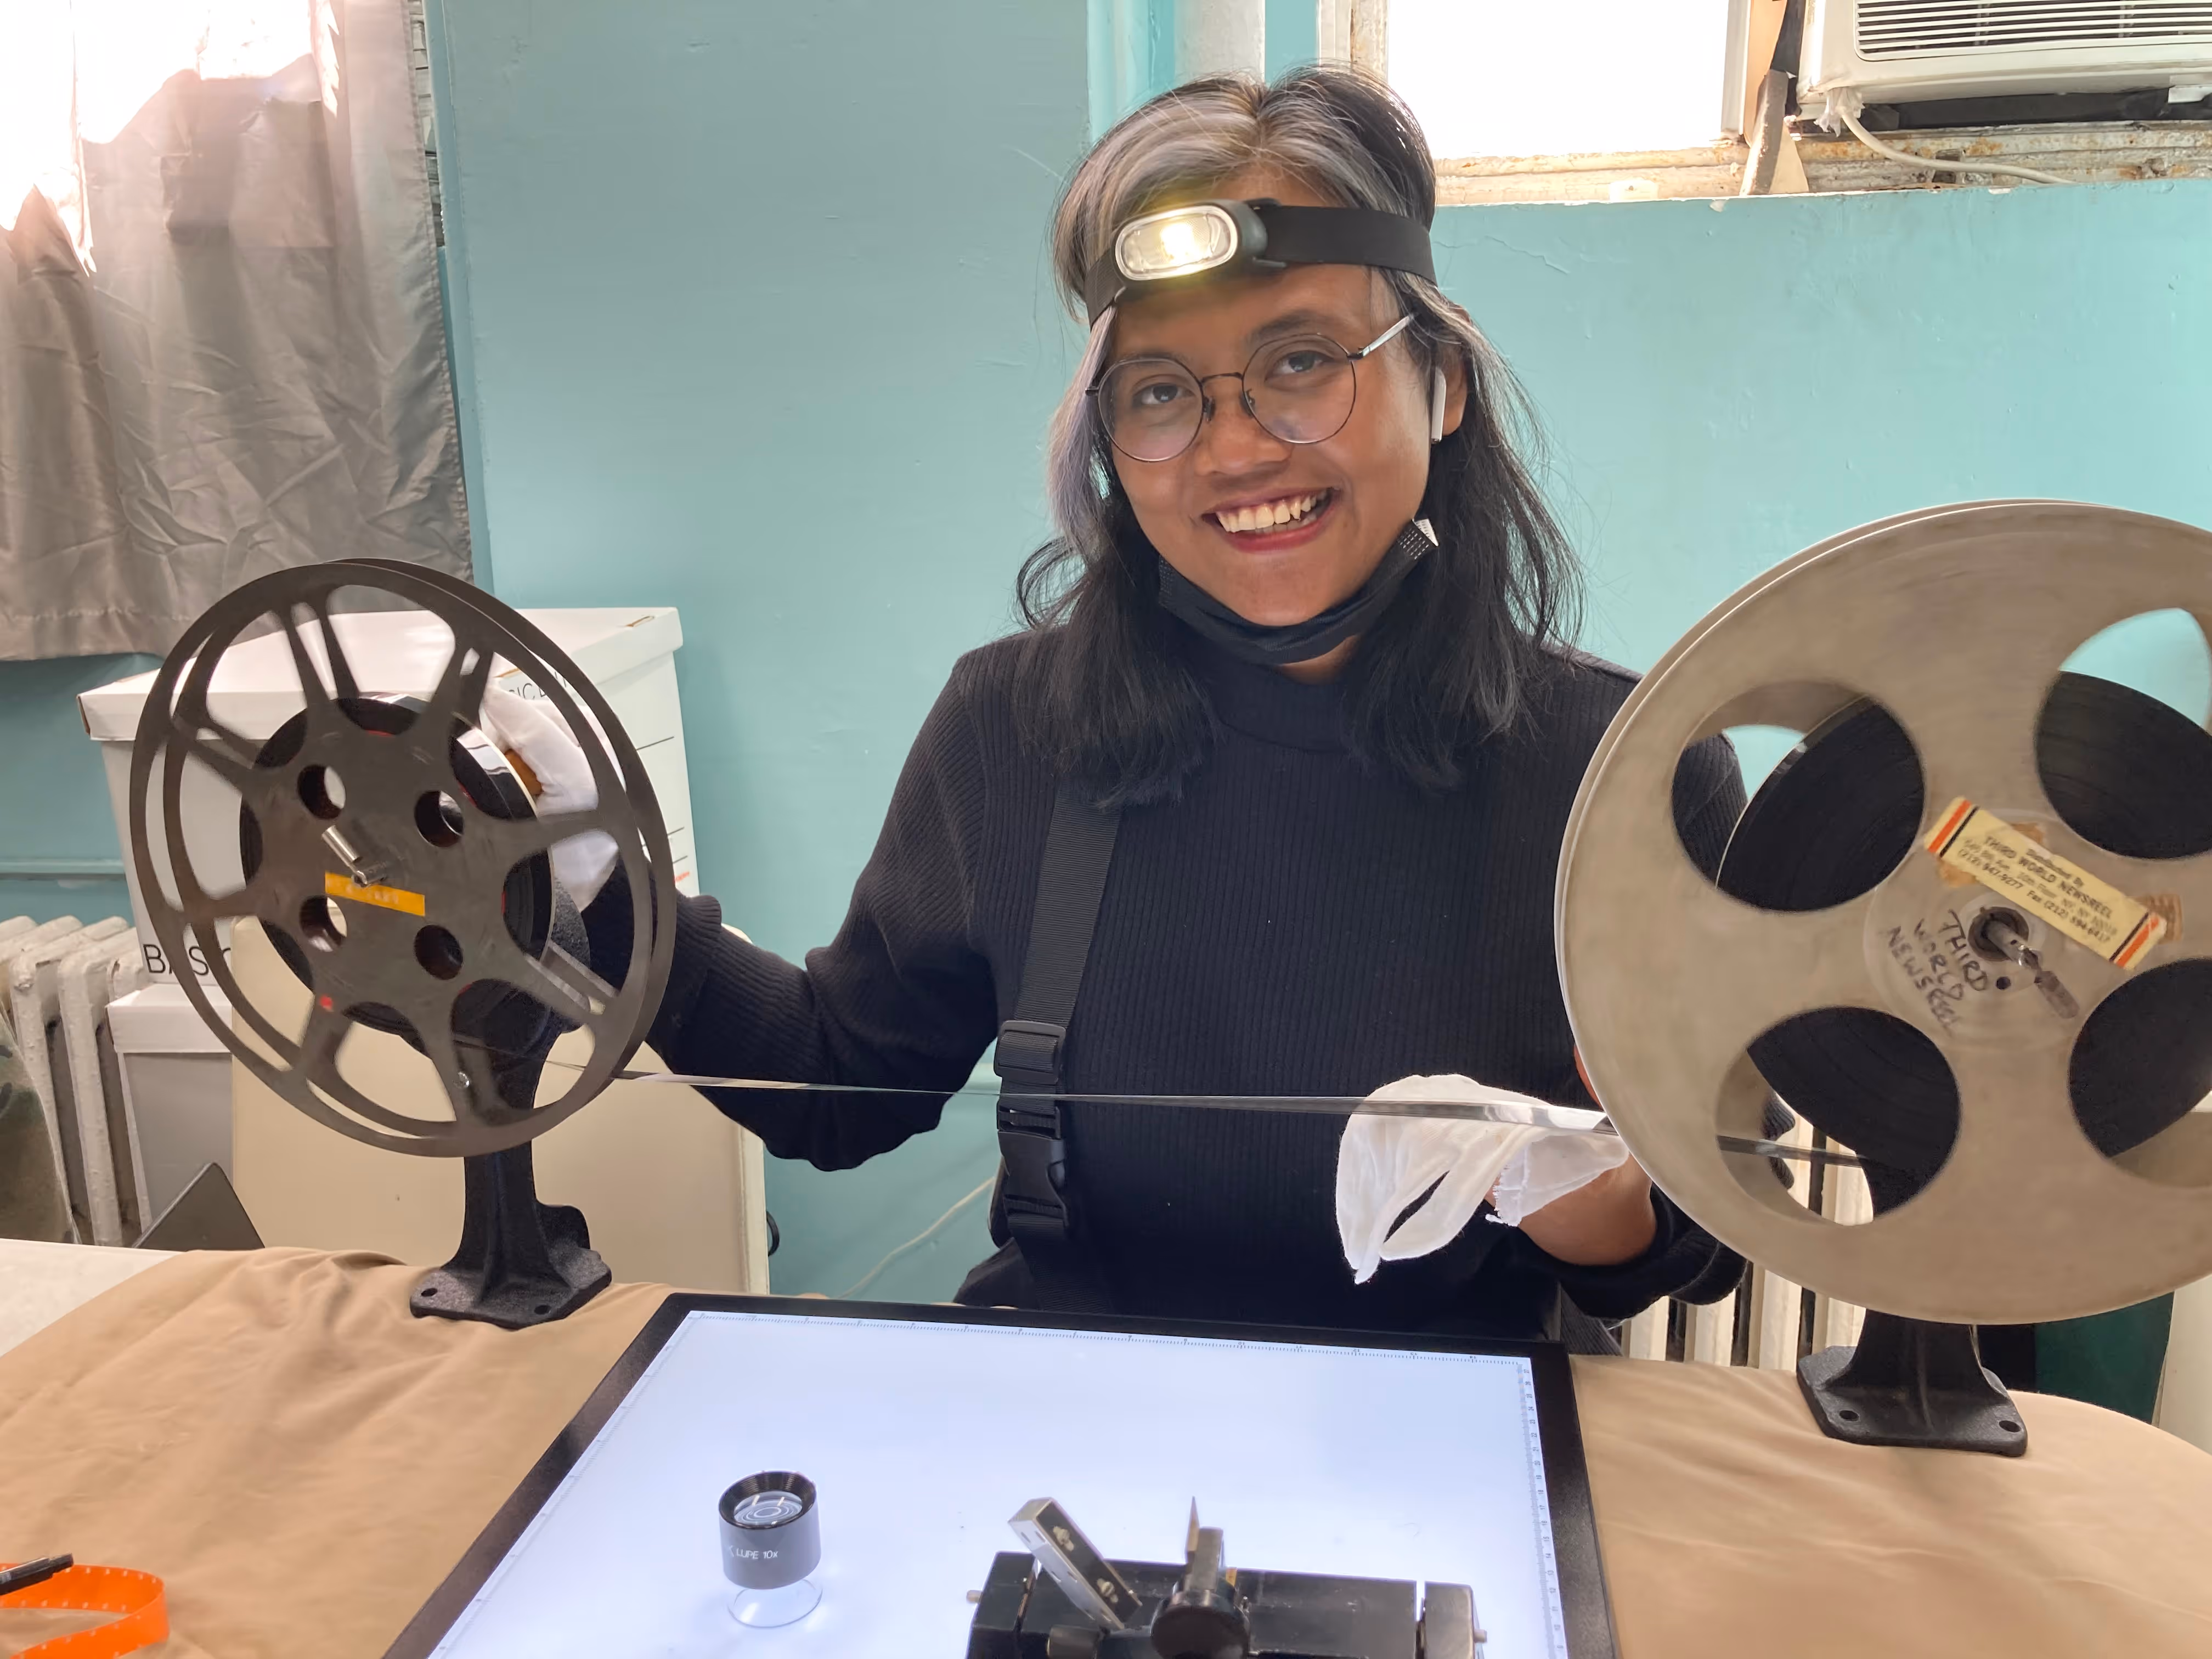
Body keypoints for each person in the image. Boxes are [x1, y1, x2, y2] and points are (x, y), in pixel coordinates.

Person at [566, 67, 1746, 1344]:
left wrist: (1579, 1184)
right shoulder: (1010, 730)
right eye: (1162, 392)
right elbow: (847, 1090)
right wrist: (588, 880)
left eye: (1302, 362)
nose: (1235, 451)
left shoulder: (1621, 775)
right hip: (1074, 1417)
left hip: (1460, 1437)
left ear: (1444, 384)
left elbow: (1701, 1243)